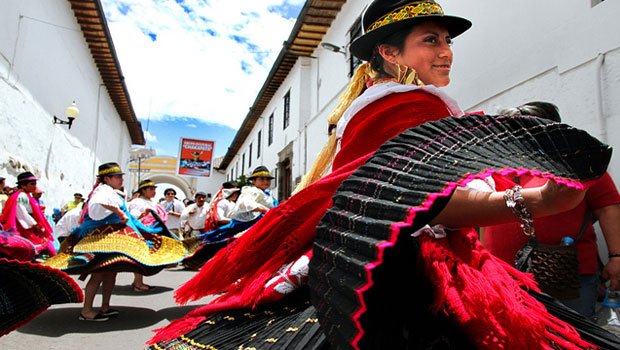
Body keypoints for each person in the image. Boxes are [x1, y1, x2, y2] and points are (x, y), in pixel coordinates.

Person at [149, 1, 604, 348]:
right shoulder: (409, 104)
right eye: (431, 40)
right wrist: (532, 201)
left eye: (447, 42)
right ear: (389, 51)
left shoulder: (387, 104)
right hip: (400, 277)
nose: (446, 53)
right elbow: (419, 201)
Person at [477, 101, 620, 320]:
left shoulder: (578, 162)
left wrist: (616, 256)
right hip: (507, 277)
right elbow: (483, 219)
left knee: (574, 336)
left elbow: (607, 207)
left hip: (568, 275)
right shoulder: (496, 170)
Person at [43, 162, 186, 322]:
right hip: (102, 240)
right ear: (107, 178)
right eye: (117, 177)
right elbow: (96, 205)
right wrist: (118, 211)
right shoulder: (102, 190)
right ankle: (87, 311)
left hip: (112, 238)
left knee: (111, 273)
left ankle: (105, 306)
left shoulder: (111, 191)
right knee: (98, 275)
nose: (121, 179)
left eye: (121, 176)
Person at [196, 166, 277, 243]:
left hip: (264, 225)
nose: (266, 181)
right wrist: (264, 210)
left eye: (268, 179)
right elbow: (245, 203)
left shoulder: (269, 194)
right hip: (247, 225)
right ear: (254, 181)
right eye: (262, 179)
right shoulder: (251, 191)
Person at [0, 172, 55, 258]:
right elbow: (22, 212)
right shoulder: (21, 196)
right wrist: (35, 224)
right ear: (23, 186)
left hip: (25, 224)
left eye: (35, 183)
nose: (35, 186)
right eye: (32, 184)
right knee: (43, 244)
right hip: (23, 227)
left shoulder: (25, 195)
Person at [128, 179, 168, 292]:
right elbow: (133, 218)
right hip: (141, 233)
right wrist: (142, 214)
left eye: (154, 189)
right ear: (143, 190)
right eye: (151, 189)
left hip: (151, 233)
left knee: (143, 258)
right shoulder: (138, 202)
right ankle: (138, 283)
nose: (154, 191)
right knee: (139, 258)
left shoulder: (150, 202)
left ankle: (138, 282)